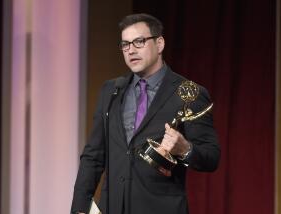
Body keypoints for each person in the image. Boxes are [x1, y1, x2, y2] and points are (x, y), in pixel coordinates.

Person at [71, 13, 220, 214]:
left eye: (139, 42)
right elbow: (93, 156)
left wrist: (185, 148)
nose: (131, 50)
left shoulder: (188, 93)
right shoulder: (111, 91)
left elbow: (211, 157)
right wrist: (79, 208)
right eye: (125, 44)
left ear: (159, 44)